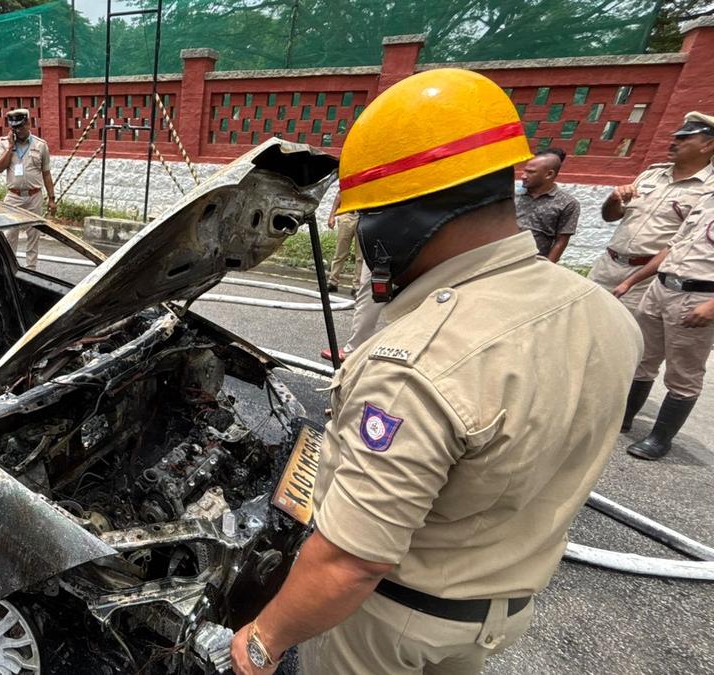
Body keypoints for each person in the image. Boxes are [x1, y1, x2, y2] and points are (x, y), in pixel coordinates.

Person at [229, 69, 642, 675]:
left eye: (367, 216)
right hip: (495, 613)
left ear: (401, 219)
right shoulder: (604, 313)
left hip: (386, 624)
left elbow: (351, 562)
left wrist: (264, 638)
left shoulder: (417, 363)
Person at [614, 190, 714, 460]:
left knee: (683, 373)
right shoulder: (707, 198)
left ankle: (660, 439)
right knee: (643, 358)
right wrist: (631, 281)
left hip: (700, 297)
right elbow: (671, 248)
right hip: (661, 287)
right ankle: (622, 419)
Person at [588, 111, 714, 311]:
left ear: (707, 145)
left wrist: (632, 281)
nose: (674, 142)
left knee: (629, 335)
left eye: (683, 138)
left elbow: (682, 243)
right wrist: (613, 200)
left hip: (646, 278)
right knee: (584, 321)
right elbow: (610, 217)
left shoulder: (709, 189)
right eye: (675, 137)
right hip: (607, 266)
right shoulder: (651, 175)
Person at [0, 108, 56, 269]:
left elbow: (47, 174)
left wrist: (52, 198)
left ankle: (31, 269)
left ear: (29, 123)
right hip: (13, 196)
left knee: (33, 234)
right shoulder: (4, 143)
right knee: (10, 234)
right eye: (14, 127)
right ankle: (9, 268)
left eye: (21, 126)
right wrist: (10, 147)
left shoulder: (40, 145)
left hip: (34, 196)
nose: (17, 130)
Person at [515, 150, 580, 262]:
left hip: (534, 262)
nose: (523, 176)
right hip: (504, 259)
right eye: (524, 171)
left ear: (549, 174)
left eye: (531, 172)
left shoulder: (567, 203)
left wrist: (547, 267)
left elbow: (561, 241)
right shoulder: (513, 195)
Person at [326, 192, 358, 292]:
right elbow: (340, 194)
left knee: (361, 255)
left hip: (363, 216)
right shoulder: (349, 177)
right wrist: (332, 216)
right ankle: (332, 282)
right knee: (340, 252)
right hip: (348, 215)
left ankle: (357, 286)